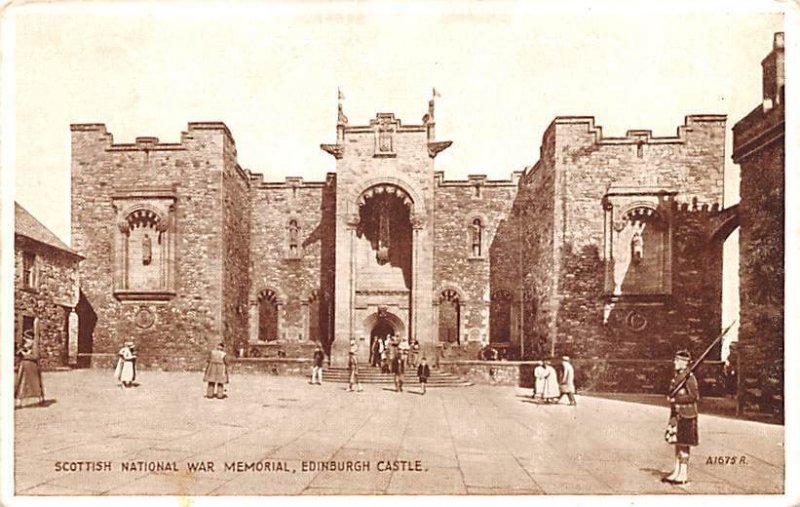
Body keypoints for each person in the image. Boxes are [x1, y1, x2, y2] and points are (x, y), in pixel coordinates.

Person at [663, 349, 699, 485]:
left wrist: (676, 399)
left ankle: (683, 473)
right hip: (677, 413)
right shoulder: (679, 376)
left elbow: (694, 396)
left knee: (684, 444)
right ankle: (677, 470)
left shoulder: (690, 378)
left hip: (687, 414)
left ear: (684, 363)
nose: (675, 362)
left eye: (677, 361)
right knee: (677, 443)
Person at [14, 333, 45, 407]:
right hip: (23, 367)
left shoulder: (35, 347)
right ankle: (19, 402)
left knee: (35, 383)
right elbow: (18, 354)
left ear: (32, 339)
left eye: (28, 339)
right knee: (21, 383)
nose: (26, 340)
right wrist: (20, 352)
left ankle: (39, 398)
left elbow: (35, 356)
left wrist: (25, 355)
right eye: (25, 339)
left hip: (32, 367)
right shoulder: (25, 346)